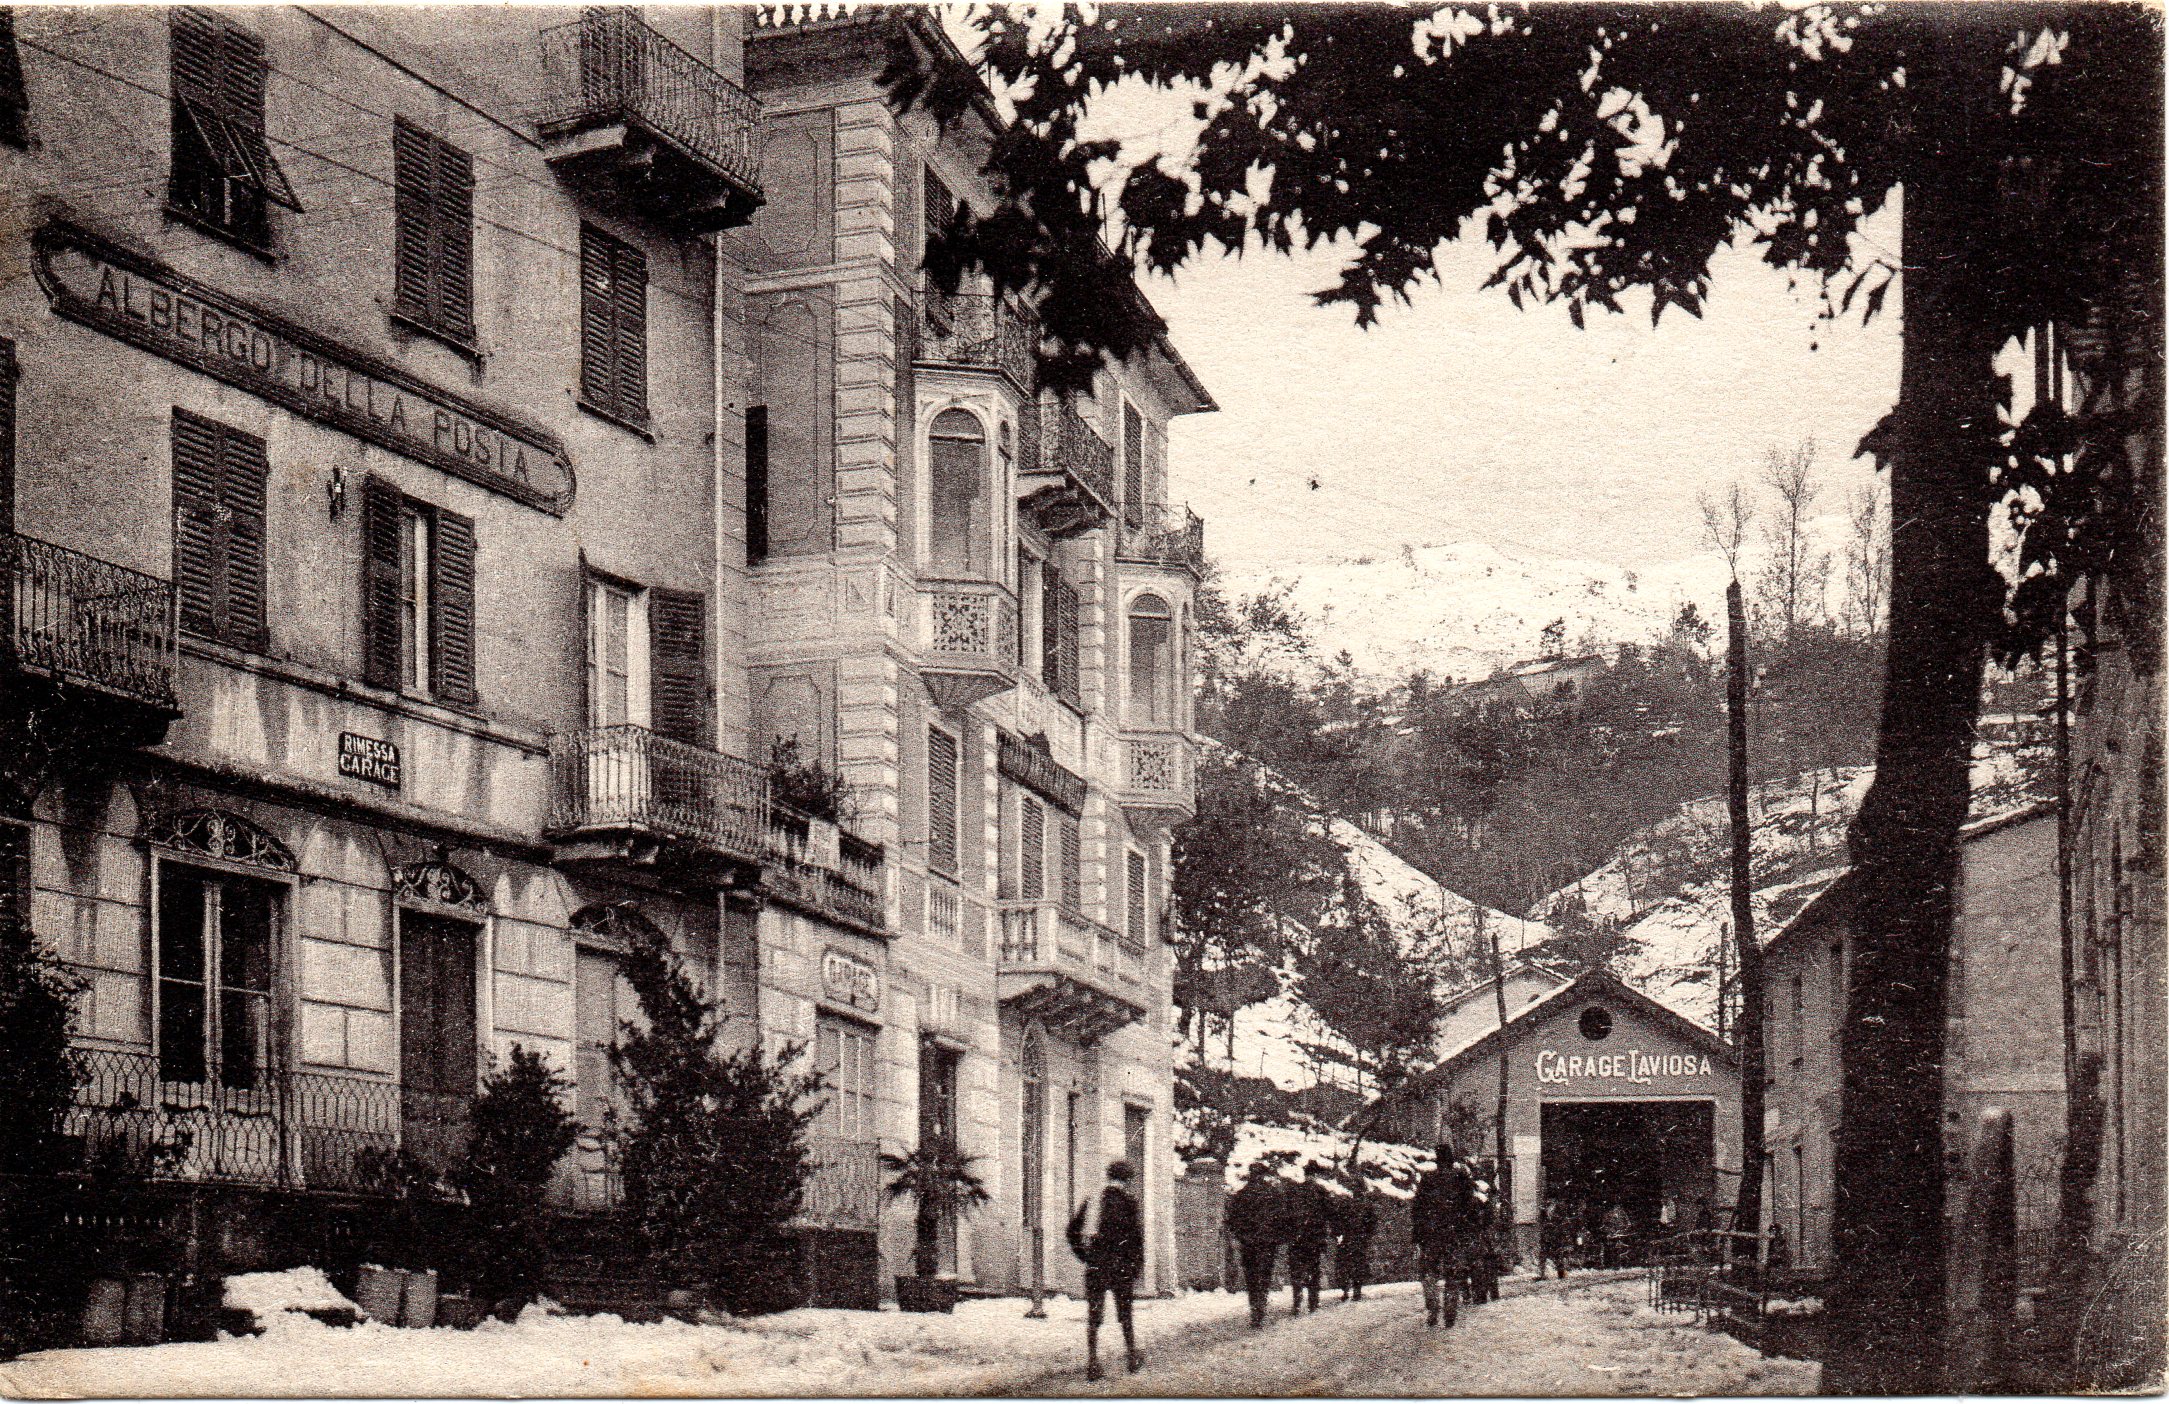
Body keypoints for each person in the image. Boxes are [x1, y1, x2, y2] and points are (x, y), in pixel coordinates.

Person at [1068, 1158, 1145, 1380]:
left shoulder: (1093, 1201)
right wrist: (1136, 1266)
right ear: (1127, 1179)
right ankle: (1131, 1356)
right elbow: (1136, 1239)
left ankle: (1093, 1363)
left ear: (1109, 1177)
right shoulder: (1129, 1202)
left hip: (1097, 1265)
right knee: (1125, 1314)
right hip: (1121, 1266)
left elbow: (1072, 1231)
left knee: (1094, 1315)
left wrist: (1084, 1256)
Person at [1410, 1140, 1476, 1329]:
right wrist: (1467, 1230)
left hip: (1431, 1235)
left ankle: (1433, 1307)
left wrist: (1418, 1235)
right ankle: (1450, 1311)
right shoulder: (1460, 1177)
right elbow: (1470, 1207)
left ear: (1437, 1159)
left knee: (1428, 1272)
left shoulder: (1428, 1179)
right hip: (1454, 1234)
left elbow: (1417, 1209)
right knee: (1452, 1274)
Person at [1223, 1160, 1286, 1329]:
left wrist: (1240, 1235)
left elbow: (1232, 1219)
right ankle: (1261, 1306)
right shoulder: (1273, 1194)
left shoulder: (1242, 1194)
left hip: (1249, 1242)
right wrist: (1278, 1237)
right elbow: (1281, 1218)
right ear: (1263, 1175)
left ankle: (1255, 1309)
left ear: (1251, 1174)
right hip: (1267, 1242)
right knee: (1264, 1274)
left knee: (1251, 1276)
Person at [1283, 1161, 1332, 1315]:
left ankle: (1297, 1301)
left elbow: (1286, 1214)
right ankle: (1313, 1302)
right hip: (1314, 1238)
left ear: (1305, 1174)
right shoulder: (1321, 1191)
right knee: (1314, 1269)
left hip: (1297, 1238)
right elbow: (1330, 1213)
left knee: (1296, 1270)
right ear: (1315, 1175)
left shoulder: (1295, 1190)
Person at [1334, 1180, 1378, 1302]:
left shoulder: (1345, 1204)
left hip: (1347, 1239)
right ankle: (1356, 1291)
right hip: (1359, 1240)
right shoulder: (1367, 1206)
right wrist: (1367, 1236)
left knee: (1345, 1265)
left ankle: (1346, 1290)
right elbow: (1372, 1224)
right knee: (1358, 1265)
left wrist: (1338, 1235)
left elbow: (1337, 1222)